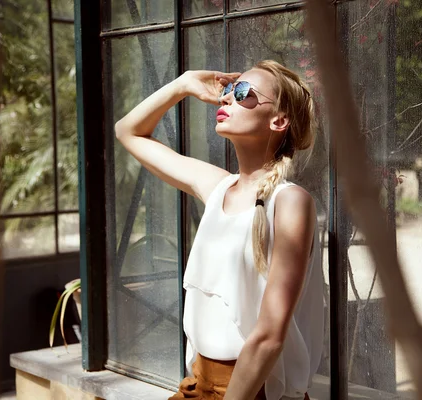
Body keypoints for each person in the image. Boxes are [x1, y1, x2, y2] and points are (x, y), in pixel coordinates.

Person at [115, 60, 324, 400]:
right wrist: (183, 84)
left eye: (242, 93)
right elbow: (127, 131)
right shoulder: (217, 188)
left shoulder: (289, 203)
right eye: (228, 90)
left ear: (279, 120)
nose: (227, 99)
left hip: (252, 391)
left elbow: (269, 335)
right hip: (198, 385)